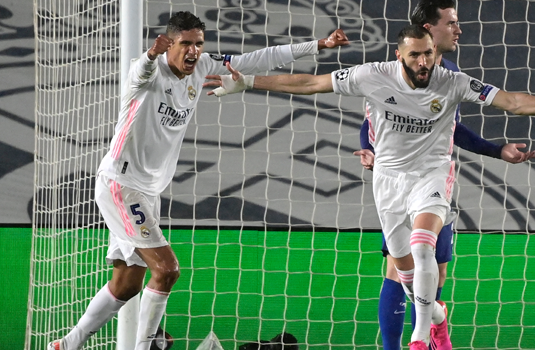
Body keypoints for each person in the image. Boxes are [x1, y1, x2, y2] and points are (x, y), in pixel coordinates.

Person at [204, 23, 535, 350]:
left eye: (428, 53)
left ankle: (419, 338)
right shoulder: (371, 76)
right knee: (403, 271)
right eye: (415, 54)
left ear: (435, 54)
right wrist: (248, 83)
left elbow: (513, 102)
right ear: (399, 54)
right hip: (388, 181)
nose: (423, 61)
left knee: (423, 246)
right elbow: (310, 84)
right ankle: (436, 318)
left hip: (432, 175)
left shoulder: (452, 82)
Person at [47, 11, 349, 350]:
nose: (193, 51)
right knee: (167, 270)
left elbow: (257, 58)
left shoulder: (203, 66)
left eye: (199, 44)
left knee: (127, 283)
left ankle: (66, 345)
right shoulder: (146, 70)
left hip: (147, 192)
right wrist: (149, 55)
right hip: (121, 183)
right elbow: (140, 70)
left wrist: (318, 44)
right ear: (169, 44)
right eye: (185, 44)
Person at [354, 1, 535, 349]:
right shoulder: (391, 73)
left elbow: (455, 129)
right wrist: (371, 149)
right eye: (452, 22)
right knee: (399, 266)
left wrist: (497, 150)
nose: (459, 29)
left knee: (437, 269)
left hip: (434, 182)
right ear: (428, 28)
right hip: (399, 183)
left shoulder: (449, 73)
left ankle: (432, 327)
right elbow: (371, 120)